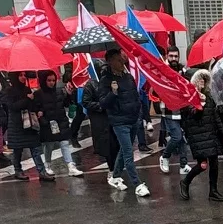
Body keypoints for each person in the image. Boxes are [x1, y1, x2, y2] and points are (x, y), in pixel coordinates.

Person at [84, 51, 146, 193]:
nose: (122, 63)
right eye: (118, 60)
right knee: (128, 152)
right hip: (119, 122)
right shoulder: (105, 81)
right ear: (110, 61)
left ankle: (115, 175)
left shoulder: (128, 77)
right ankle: (137, 184)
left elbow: (135, 96)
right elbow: (103, 103)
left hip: (133, 119)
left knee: (124, 151)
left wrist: (138, 111)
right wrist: (113, 93)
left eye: (122, 59)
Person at [179, 68, 223, 200]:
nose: (201, 82)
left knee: (214, 163)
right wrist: (200, 102)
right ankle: (185, 182)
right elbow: (193, 115)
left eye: (203, 79)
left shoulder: (209, 97)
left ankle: (213, 191)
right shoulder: (187, 99)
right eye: (198, 79)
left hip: (211, 135)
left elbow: (215, 116)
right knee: (202, 165)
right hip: (198, 136)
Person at [34, 71, 81, 177]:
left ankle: (70, 166)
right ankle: (48, 165)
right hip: (47, 124)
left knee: (64, 143)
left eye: (53, 80)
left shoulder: (59, 91)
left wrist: (69, 95)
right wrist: (43, 120)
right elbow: (36, 109)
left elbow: (66, 104)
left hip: (61, 121)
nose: (51, 83)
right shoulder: (38, 94)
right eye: (49, 80)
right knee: (49, 145)